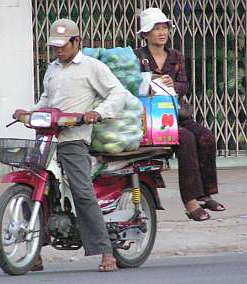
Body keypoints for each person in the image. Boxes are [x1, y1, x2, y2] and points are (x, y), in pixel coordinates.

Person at [13, 19, 127, 272]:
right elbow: (45, 99)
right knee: (35, 189)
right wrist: (28, 112)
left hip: (74, 139)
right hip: (47, 137)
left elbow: (117, 93)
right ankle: (34, 252)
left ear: (77, 42)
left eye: (63, 45)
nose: (58, 50)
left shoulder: (92, 67)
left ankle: (106, 251)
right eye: (54, 46)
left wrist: (98, 112)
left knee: (82, 192)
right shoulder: (52, 68)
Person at [135, 8, 226, 221]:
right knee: (185, 139)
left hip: (176, 114)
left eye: (164, 27)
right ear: (145, 34)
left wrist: (172, 84)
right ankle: (190, 201)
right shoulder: (137, 57)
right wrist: (148, 85)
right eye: (156, 29)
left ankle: (205, 194)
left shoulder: (176, 56)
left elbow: (185, 85)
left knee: (205, 135)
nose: (161, 32)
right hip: (151, 119)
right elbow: (130, 85)